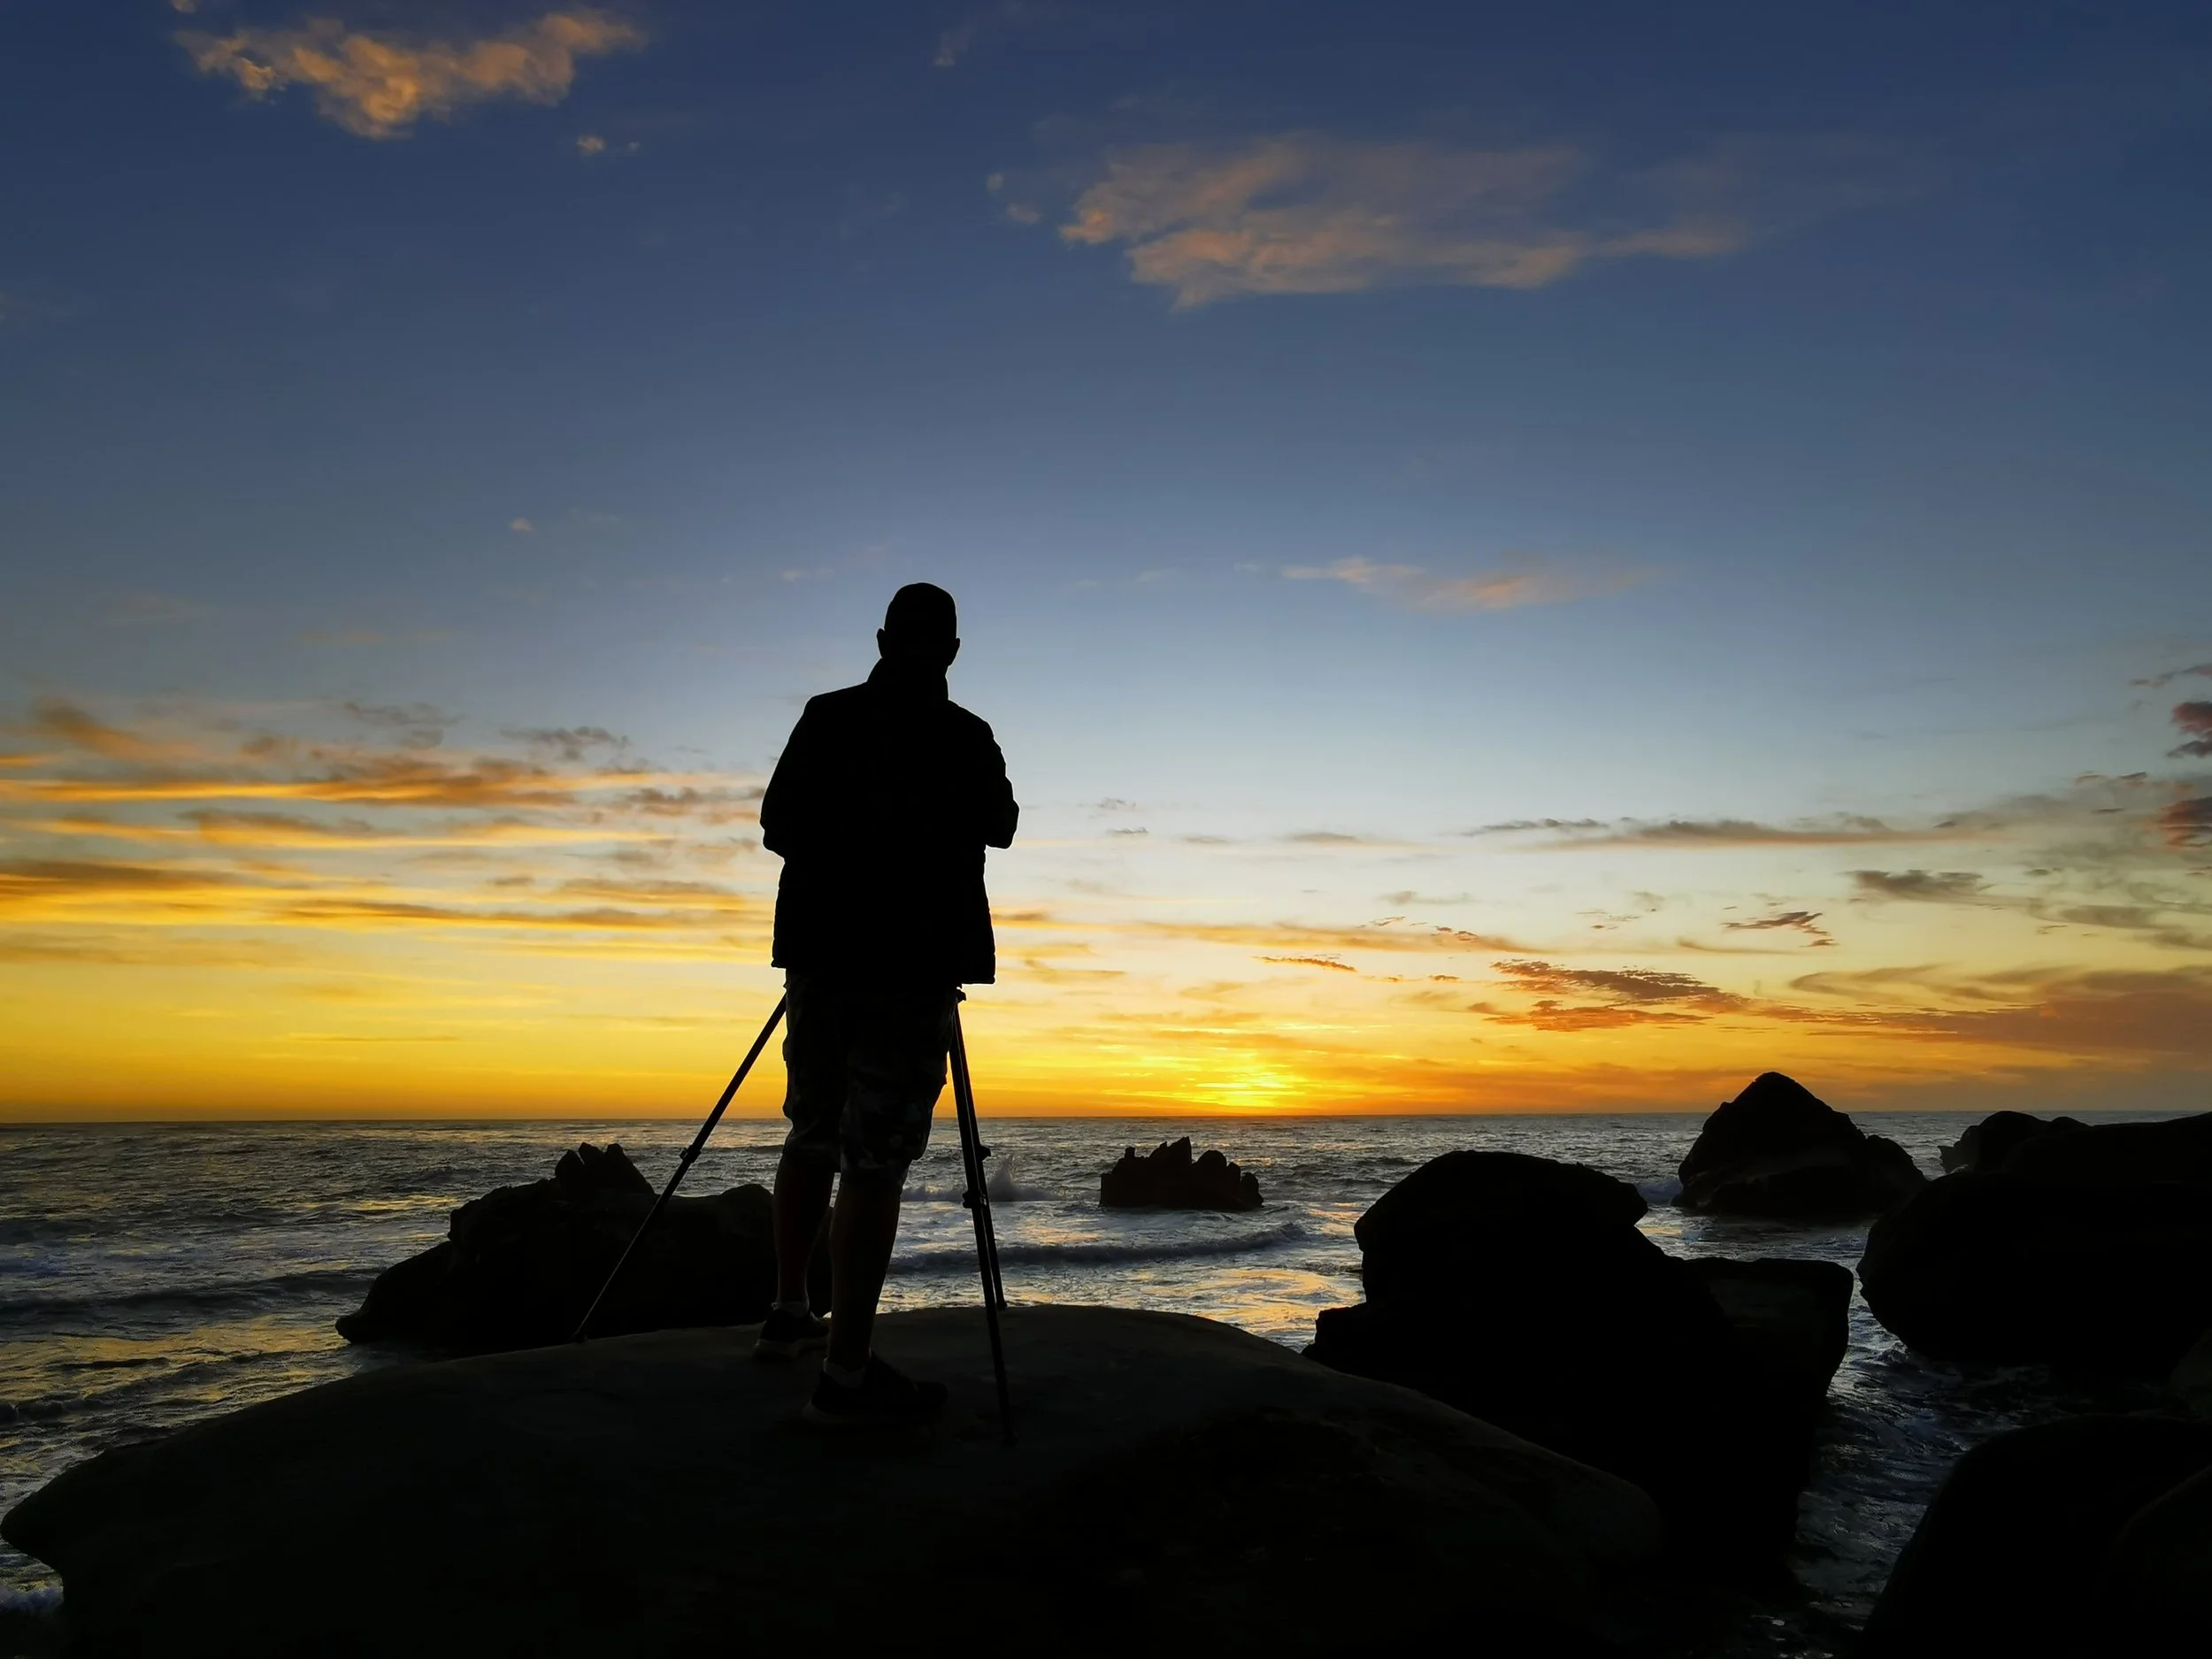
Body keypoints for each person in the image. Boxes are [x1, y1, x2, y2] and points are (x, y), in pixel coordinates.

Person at [752, 582, 1018, 1429]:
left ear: (881, 637)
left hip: (822, 960)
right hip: (908, 969)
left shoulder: (827, 717)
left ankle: (791, 1311)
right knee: (875, 1161)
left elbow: (777, 824)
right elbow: (1002, 824)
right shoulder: (964, 735)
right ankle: (847, 1372)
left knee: (813, 1132)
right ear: (950, 650)